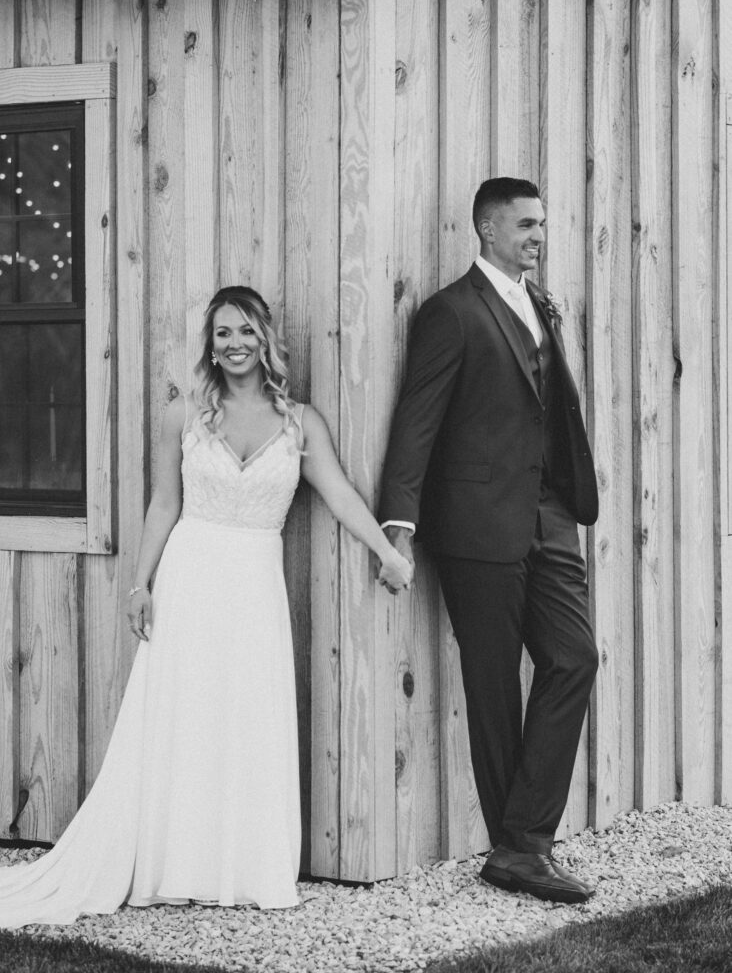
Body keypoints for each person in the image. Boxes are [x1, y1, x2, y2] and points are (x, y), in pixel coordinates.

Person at [0, 285, 412, 929]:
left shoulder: (300, 420)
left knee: (247, 714)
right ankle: (175, 864)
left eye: (246, 331)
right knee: (183, 716)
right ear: (209, 344)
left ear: (267, 338)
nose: (235, 344)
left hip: (254, 583)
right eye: (222, 333)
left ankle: (241, 867)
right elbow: (164, 503)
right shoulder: (184, 415)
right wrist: (140, 584)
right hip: (191, 575)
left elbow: (338, 493)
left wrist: (387, 552)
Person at [377, 178, 600, 904]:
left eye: (542, 224)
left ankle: (518, 843)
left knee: (574, 658)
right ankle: (525, 853)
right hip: (476, 526)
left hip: (550, 517)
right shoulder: (452, 313)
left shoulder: (539, 305)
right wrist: (398, 527)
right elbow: (418, 417)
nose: (538, 235)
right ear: (487, 228)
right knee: (494, 686)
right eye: (526, 224)